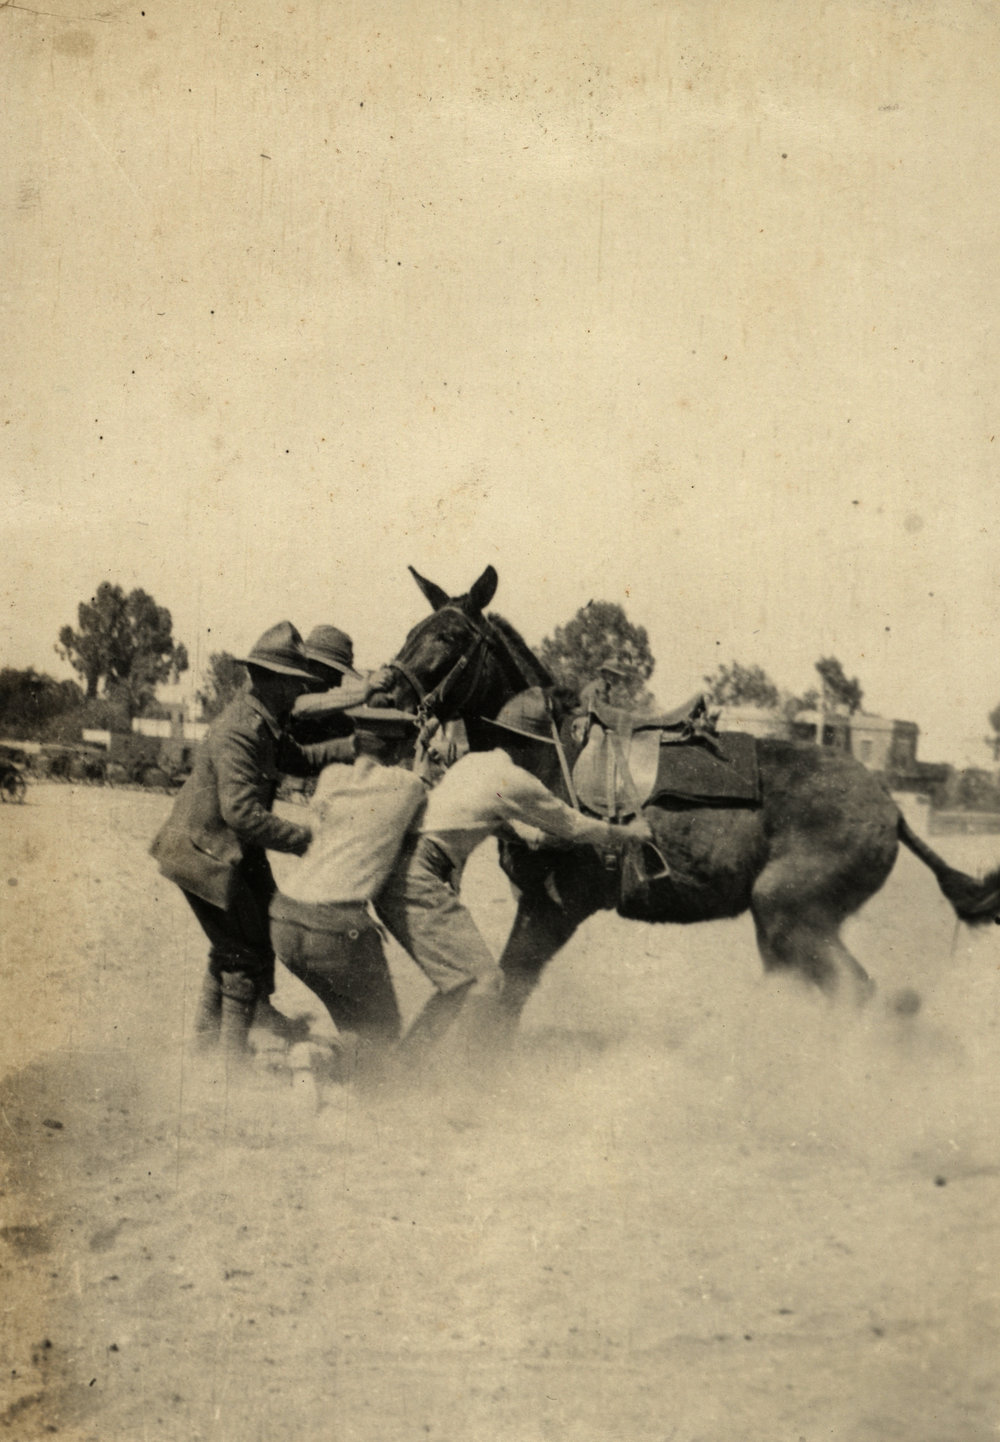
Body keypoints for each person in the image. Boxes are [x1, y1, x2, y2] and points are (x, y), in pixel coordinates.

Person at [374, 687, 652, 1066]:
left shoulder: (474, 763)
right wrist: (625, 833)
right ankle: (458, 1071)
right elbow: (573, 825)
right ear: (535, 745)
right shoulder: (515, 780)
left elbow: (494, 822)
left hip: (397, 871)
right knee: (484, 980)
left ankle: (410, 1064)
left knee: (459, 982)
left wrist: (536, 838)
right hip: (422, 876)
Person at [149, 621, 352, 1061]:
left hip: (218, 853)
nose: (300, 691)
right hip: (204, 857)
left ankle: (206, 1050)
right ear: (273, 681)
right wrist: (306, 838)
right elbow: (241, 814)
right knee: (243, 956)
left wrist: (353, 747)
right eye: (295, 682)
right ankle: (229, 1069)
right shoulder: (241, 730)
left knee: (239, 947)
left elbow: (300, 758)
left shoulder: (262, 722)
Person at [269, 706, 426, 1079]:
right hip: (337, 926)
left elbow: (318, 825)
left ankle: (331, 1080)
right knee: (382, 1028)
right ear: (399, 748)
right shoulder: (410, 786)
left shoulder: (331, 776)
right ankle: (314, 1056)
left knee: (351, 1016)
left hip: (285, 916)